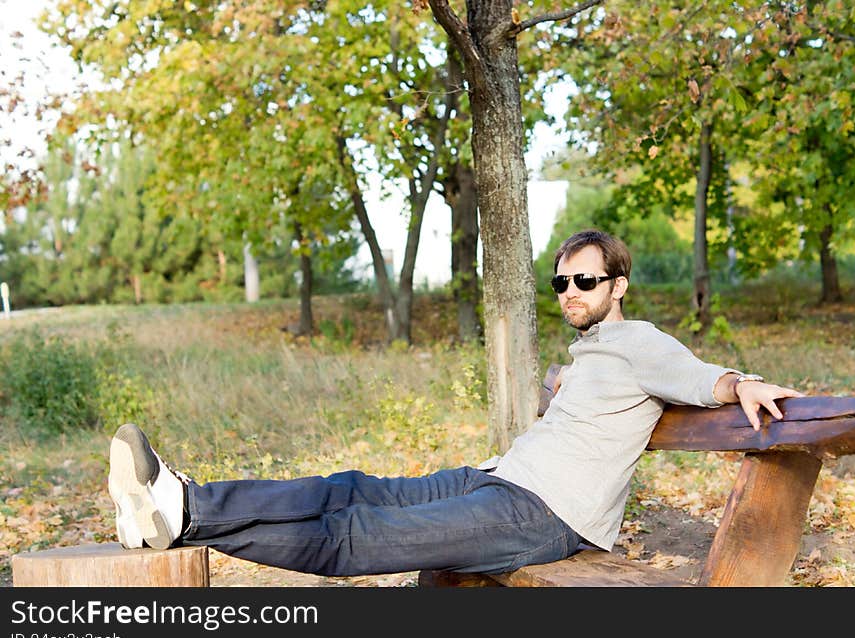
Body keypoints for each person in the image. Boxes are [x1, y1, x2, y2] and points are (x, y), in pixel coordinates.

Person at [107, 229, 803, 576]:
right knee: (348, 486)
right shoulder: (592, 353)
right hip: (497, 480)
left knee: (357, 533)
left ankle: (181, 516)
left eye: (585, 279)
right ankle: (184, 504)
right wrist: (557, 385)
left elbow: (697, 374)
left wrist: (740, 383)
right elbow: (587, 388)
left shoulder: (641, 338)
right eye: (560, 282)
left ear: (618, 284)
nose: (569, 292)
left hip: (545, 513)